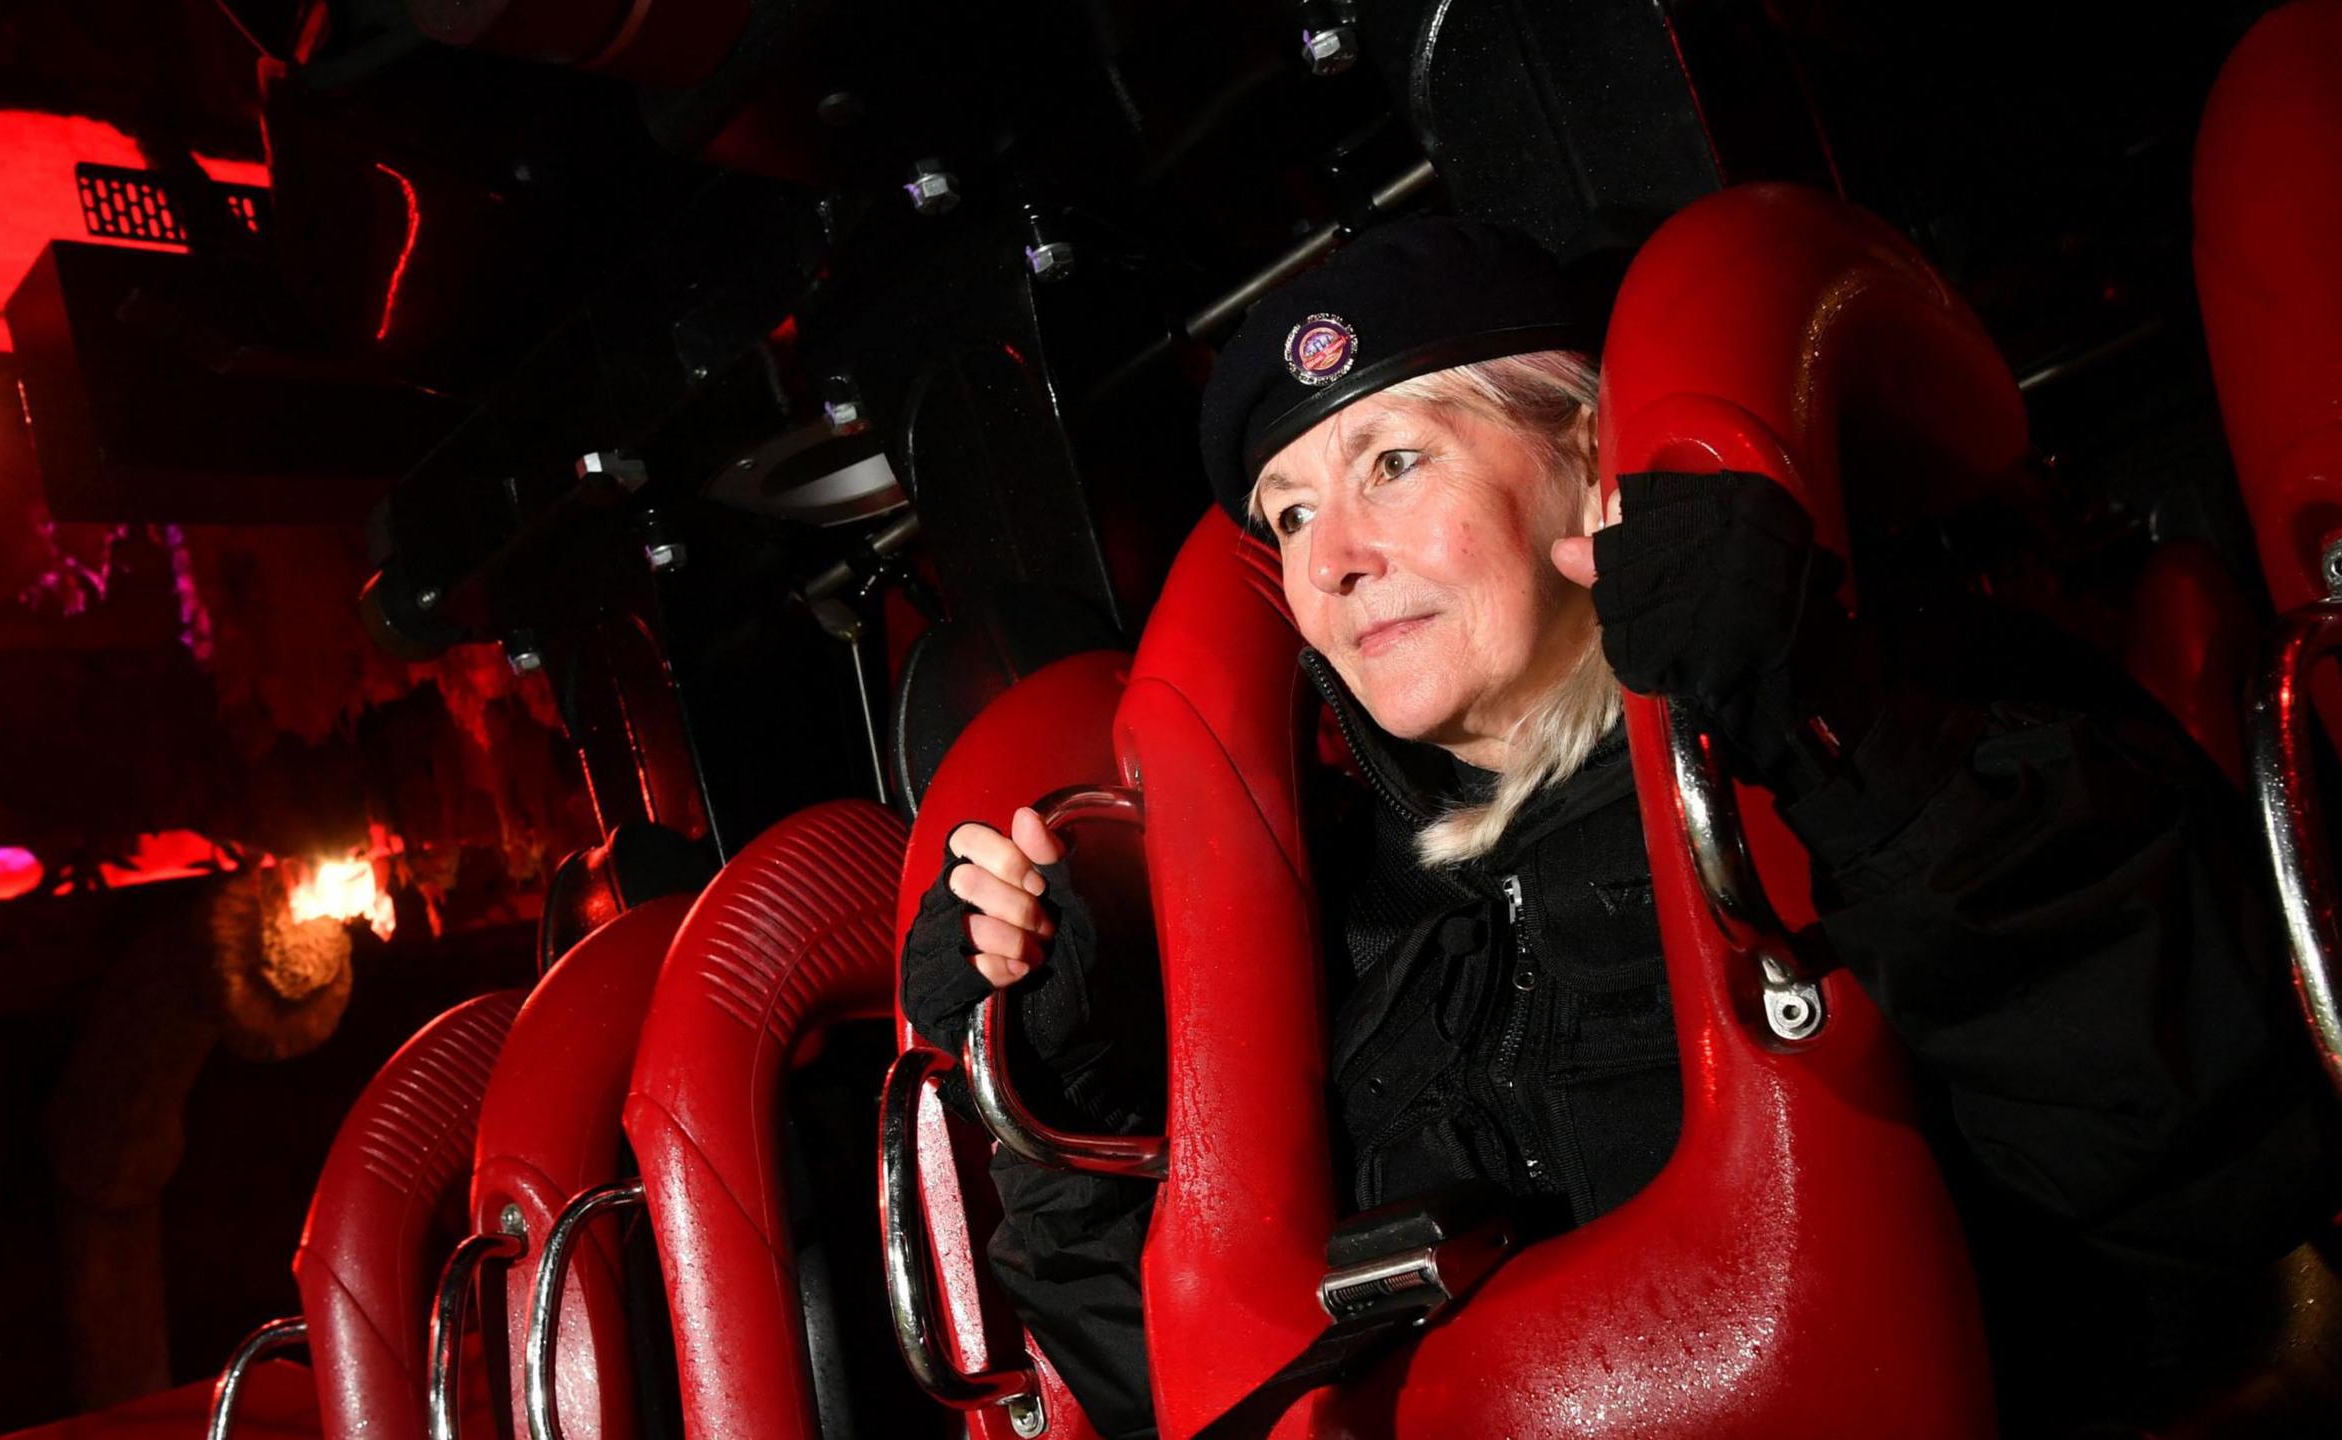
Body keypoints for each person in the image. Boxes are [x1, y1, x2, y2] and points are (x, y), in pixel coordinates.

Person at [898, 216, 2340, 1438]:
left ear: (1590, 453)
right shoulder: (1332, 931)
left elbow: (2210, 1168)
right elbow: (1191, 1400)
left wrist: (1837, 728)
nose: (1332, 563)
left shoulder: (1908, 710)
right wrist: (1059, 1097)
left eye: (1396, 462)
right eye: (1286, 518)